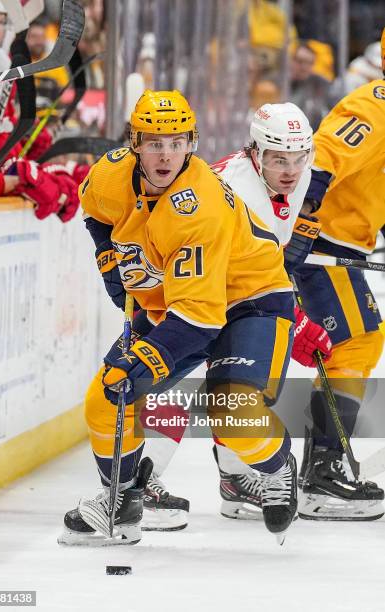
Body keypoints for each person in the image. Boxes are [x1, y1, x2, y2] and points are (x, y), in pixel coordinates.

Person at [59, 90, 299, 547]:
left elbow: (200, 318)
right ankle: (121, 504)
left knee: (232, 414)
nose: (165, 154)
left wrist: (145, 358)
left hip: (251, 300)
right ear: (134, 142)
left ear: (192, 143)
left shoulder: (197, 208)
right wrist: (110, 256)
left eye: (176, 142)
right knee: (106, 398)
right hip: (178, 303)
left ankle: (277, 467)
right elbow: (96, 213)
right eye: (154, 142)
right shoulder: (110, 174)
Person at [139, 103, 333, 526]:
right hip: (189, 286)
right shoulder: (234, 186)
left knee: (240, 387)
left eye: (299, 158)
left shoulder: (298, 171)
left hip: (237, 290)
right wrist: (296, 316)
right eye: (279, 158)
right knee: (177, 379)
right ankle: (142, 479)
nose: (290, 170)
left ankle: (237, 477)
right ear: (256, 152)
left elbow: (270, 248)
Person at [293, 28, 385, 521]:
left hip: (339, 243)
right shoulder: (376, 102)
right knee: (357, 342)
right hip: (321, 245)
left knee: (356, 343)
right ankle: (322, 475)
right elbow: (320, 158)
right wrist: (302, 224)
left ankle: (315, 470)